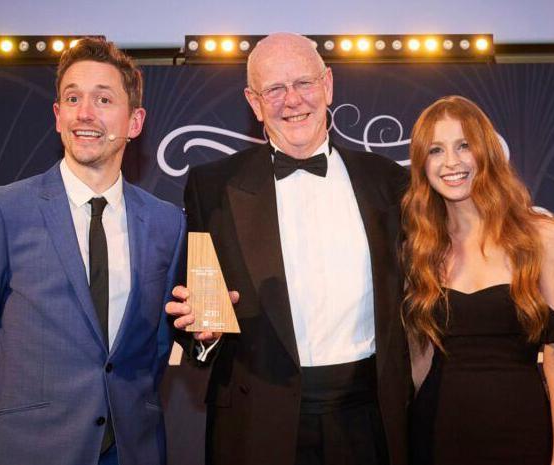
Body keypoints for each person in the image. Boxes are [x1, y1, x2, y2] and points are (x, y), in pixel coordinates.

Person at [165, 33, 411, 465]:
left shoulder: (389, 182)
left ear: (328, 85)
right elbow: (197, 309)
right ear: (254, 102)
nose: (292, 100)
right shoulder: (213, 188)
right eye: (274, 89)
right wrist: (201, 335)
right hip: (256, 419)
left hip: (367, 419)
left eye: (304, 84)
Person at [0, 38, 184, 465]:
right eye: (73, 98)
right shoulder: (3, 209)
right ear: (58, 115)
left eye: (104, 99)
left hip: (132, 450)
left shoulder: (166, 222)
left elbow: (155, 350)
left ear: (135, 121)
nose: (85, 113)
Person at [402, 95, 554, 465]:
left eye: (464, 146)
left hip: (522, 431)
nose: (451, 162)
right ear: (422, 164)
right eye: (436, 150)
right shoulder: (417, 248)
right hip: (435, 436)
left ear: (486, 151)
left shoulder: (540, 236)